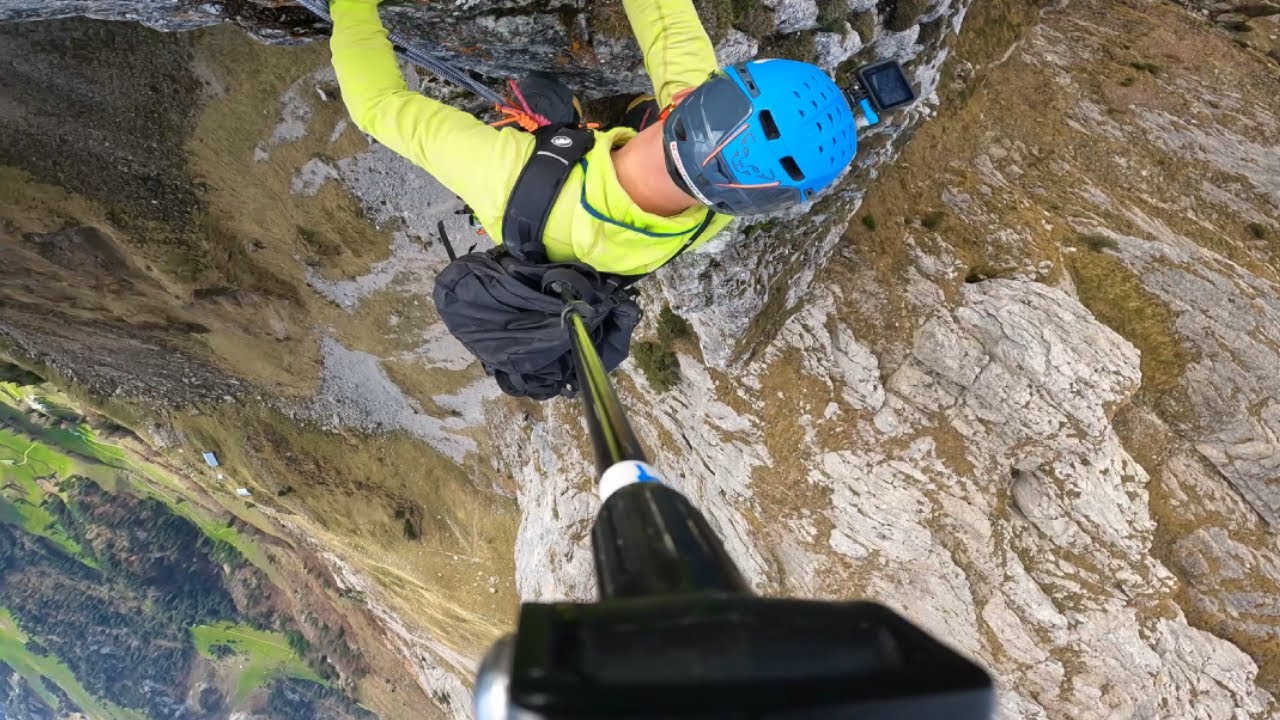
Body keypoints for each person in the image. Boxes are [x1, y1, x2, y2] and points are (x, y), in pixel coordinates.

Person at [328, 0, 859, 276]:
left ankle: (569, 122)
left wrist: (351, 8)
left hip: (533, 193)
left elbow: (378, 107)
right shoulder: (720, 206)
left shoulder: (500, 169)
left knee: (542, 99)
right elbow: (669, 27)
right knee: (600, 116)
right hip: (588, 231)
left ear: (694, 99)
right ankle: (607, 123)